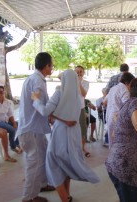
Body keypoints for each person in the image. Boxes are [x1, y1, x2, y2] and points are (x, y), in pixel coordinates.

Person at [32, 69, 100, 202]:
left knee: (53, 164)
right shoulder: (78, 95)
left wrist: (36, 100)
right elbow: (71, 118)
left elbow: (45, 111)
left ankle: (64, 198)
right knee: (67, 163)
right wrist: (59, 116)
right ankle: (67, 195)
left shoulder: (59, 92)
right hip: (74, 133)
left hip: (60, 132)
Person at [16, 52, 55, 202]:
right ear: (46, 66)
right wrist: (48, 111)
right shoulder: (37, 82)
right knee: (35, 162)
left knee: (41, 159)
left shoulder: (34, 79)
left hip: (34, 128)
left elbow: (36, 101)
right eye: (51, 65)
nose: (52, 68)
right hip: (32, 129)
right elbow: (36, 101)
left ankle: (42, 185)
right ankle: (29, 198)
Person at [0, 85, 22, 154]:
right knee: (12, 130)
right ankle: (13, 146)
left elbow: (10, 114)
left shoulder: (7, 102)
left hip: (5, 121)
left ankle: (17, 143)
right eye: (0, 91)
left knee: (18, 125)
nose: (2, 93)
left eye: (3, 91)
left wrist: (14, 123)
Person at [104, 72, 135, 147]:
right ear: (128, 82)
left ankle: (113, 158)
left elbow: (104, 101)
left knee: (112, 143)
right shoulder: (124, 90)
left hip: (109, 116)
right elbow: (127, 105)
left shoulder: (113, 88)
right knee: (120, 143)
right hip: (118, 118)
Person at [75, 65, 90, 157]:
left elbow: (84, 94)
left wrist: (79, 83)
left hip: (80, 108)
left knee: (82, 129)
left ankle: (82, 148)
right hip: (71, 108)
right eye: (77, 71)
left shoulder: (86, 83)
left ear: (83, 73)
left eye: (81, 71)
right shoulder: (70, 82)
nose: (79, 73)